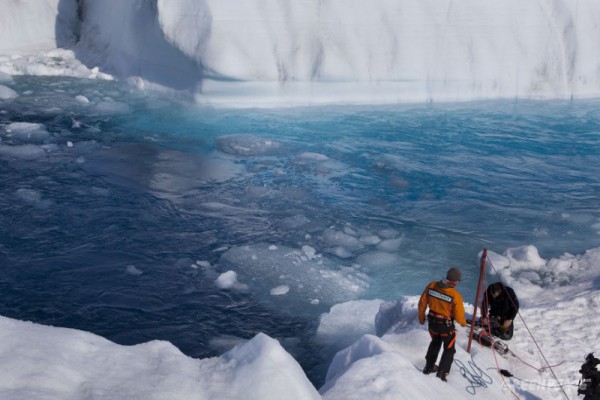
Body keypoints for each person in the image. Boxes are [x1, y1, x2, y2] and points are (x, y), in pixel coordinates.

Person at [418, 267, 467, 382]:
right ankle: (442, 373)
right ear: (455, 282)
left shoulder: (432, 286)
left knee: (435, 343)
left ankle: (428, 367)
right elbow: (459, 316)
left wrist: (421, 318)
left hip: (432, 324)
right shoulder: (455, 295)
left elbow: (422, 303)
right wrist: (463, 323)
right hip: (446, 327)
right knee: (449, 349)